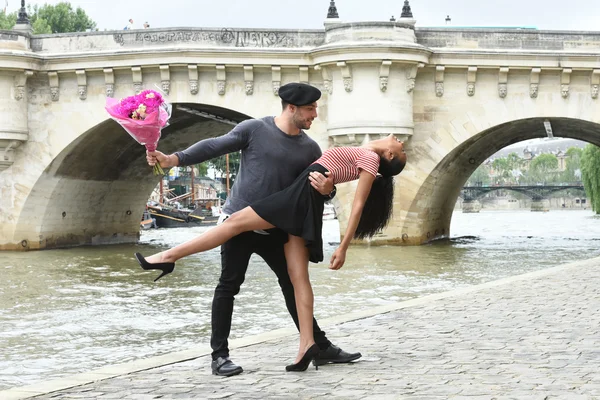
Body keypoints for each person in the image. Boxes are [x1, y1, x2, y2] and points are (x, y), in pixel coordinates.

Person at [138, 132, 407, 371]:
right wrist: (330, 188)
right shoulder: (364, 154)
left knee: (233, 224)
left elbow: (358, 206)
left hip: (297, 199)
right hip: (304, 201)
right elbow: (332, 176)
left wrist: (344, 246)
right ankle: (308, 345)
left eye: (401, 149)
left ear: (390, 154)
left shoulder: (370, 159)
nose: (401, 142)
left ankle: (168, 256)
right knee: (297, 278)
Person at [142, 83, 362, 376]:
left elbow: (315, 190)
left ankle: (318, 346)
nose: (315, 115)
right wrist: (173, 159)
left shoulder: (310, 148)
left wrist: (328, 190)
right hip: (239, 224)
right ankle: (219, 356)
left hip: (278, 230)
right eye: (310, 109)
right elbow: (213, 145)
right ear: (292, 108)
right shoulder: (255, 129)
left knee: (292, 286)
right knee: (228, 286)